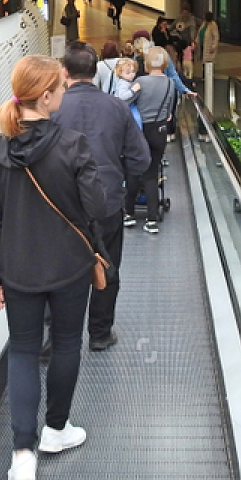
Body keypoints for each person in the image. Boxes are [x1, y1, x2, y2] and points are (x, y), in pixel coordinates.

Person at [0, 55, 108, 480]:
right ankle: (56, 430)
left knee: (22, 350)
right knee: (68, 342)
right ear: (47, 95)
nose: (65, 93)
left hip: (17, 269)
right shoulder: (73, 145)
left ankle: (22, 455)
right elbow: (99, 207)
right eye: (61, 88)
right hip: (69, 265)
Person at [53, 43, 151, 350]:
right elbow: (141, 160)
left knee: (59, 269)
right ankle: (99, 333)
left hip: (61, 205)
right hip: (107, 200)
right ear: (96, 72)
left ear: (64, 72)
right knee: (107, 265)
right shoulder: (117, 107)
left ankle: (59, 335)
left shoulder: (53, 109)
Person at [129, 49, 177, 235]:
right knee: (152, 173)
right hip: (159, 131)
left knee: (133, 171)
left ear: (146, 63)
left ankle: (130, 213)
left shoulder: (140, 82)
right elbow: (170, 109)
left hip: (139, 131)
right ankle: (152, 219)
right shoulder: (170, 83)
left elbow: (126, 102)